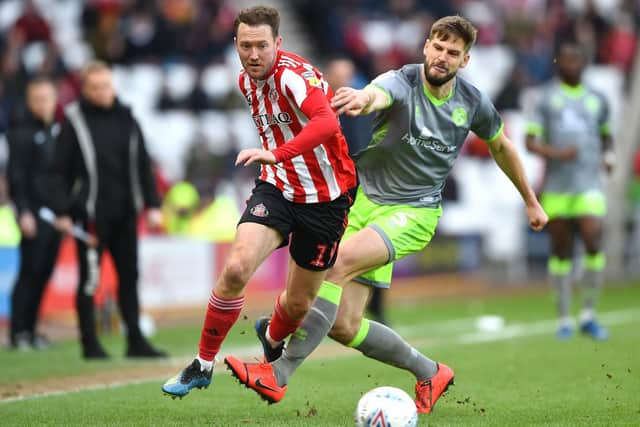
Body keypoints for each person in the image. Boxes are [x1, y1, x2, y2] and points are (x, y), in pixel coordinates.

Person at [225, 15, 548, 414]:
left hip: (414, 213)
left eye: (453, 53)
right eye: (438, 47)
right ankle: (430, 372)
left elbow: (502, 147)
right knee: (344, 326)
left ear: (464, 61)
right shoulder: (402, 80)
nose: (443, 57)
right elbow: (377, 94)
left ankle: (278, 372)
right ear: (426, 45)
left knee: (335, 265)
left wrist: (530, 200)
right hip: (361, 202)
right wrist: (361, 99)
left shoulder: (472, 102)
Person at [161, 6, 356, 398]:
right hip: (278, 187)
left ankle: (272, 334)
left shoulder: (292, 76)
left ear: (278, 44)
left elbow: (326, 122)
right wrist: (278, 162)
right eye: (245, 45)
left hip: (326, 198)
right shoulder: (245, 80)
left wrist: (279, 153)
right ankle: (202, 363)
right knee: (235, 268)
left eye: (262, 46)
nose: (253, 54)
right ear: (235, 44)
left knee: (298, 304)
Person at [49, 61, 167, 359]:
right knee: (90, 279)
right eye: (96, 87)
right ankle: (90, 344)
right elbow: (58, 171)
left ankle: (135, 342)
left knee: (130, 277)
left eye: (107, 85)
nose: (103, 92)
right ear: (85, 89)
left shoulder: (127, 117)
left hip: (126, 213)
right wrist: (62, 210)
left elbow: (143, 163)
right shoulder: (73, 121)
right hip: (90, 216)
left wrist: (153, 204)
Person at [525, 40, 613, 340]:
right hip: (558, 186)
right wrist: (557, 154)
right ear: (557, 64)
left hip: (589, 184)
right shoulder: (546, 98)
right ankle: (564, 318)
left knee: (592, 239)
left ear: (583, 63)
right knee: (561, 251)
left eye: (575, 59)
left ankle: (588, 314)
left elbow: (606, 134)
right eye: (565, 59)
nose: (570, 64)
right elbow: (529, 141)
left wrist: (609, 158)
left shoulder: (597, 98)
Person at [324, 57, 389, 325]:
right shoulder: (322, 109)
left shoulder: (364, 109)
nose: (346, 81)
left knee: (373, 251)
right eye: (341, 75)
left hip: (364, 190)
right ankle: (326, 309)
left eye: (349, 76)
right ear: (330, 77)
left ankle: (376, 309)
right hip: (332, 191)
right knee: (332, 252)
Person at [6, 77, 62, 350]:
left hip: (55, 215)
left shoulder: (56, 132)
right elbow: (16, 177)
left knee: (44, 272)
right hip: (34, 214)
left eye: (47, 98)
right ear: (29, 102)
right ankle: (18, 332)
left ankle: (32, 328)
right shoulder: (20, 133)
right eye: (37, 99)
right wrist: (24, 212)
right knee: (30, 272)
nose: (43, 104)